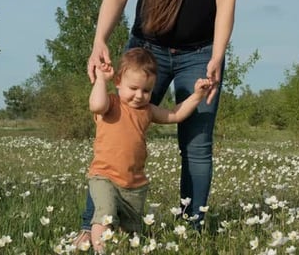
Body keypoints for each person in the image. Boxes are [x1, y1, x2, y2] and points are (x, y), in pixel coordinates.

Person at [74, 0, 240, 246]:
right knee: (116, 135)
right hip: (146, 49)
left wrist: (218, 55)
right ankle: (89, 226)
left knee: (197, 148)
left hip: (201, 54)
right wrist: (99, 39)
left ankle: (190, 231)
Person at [86, 47, 211, 253]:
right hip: (104, 176)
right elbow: (96, 105)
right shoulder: (111, 103)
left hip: (135, 184)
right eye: (133, 88)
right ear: (118, 82)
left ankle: (123, 250)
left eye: (146, 90)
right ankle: (101, 251)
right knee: (104, 214)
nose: (139, 95)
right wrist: (101, 79)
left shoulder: (147, 110)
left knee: (131, 230)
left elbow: (174, 115)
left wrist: (197, 96)